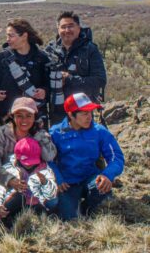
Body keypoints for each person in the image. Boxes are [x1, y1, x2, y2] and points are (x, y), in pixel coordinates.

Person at [49, 93, 124, 221]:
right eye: (84, 113)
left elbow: (116, 157)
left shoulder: (99, 131)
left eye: (90, 112)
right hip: (67, 183)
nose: (89, 117)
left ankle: (88, 207)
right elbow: (47, 160)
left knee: (101, 190)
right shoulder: (55, 133)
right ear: (71, 115)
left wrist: (107, 175)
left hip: (90, 178)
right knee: (69, 218)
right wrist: (57, 178)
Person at [0, 97, 56, 219]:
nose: (24, 120)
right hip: (6, 182)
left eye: (29, 116)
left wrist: (39, 136)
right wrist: (9, 179)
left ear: (35, 117)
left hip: (34, 182)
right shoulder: (1, 133)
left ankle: (25, 210)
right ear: (12, 116)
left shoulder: (40, 134)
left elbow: (50, 156)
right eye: (19, 116)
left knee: (52, 203)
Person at [45, 11, 107, 125]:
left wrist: (69, 79)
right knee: (59, 141)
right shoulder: (50, 50)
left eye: (71, 26)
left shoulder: (89, 49)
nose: (67, 30)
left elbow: (100, 80)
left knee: (83, 141)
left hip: (82, 110)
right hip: (57, 109)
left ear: (79, 28)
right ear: (58, 29)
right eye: (63, 27)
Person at [0, 18, 50, 125]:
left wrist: (45, 91)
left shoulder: (42, 58)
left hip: (35, 117)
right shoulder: (2, 58)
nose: (7, 39)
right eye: (7, 35)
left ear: (24, 36)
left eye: (11, 36)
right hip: (8, 116)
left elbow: (49, 84)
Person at [0, 137, 58, 224]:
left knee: (51, 203)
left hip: (37, 202)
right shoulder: (9, 169)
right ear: (17, 158)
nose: (29, 165)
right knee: (16, 200)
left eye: (32, 161)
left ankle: (44, 219)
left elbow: (52, 194)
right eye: (26, 162)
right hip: (16, 201)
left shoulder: (45, 169)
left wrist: (45, 183)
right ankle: (6, 222)